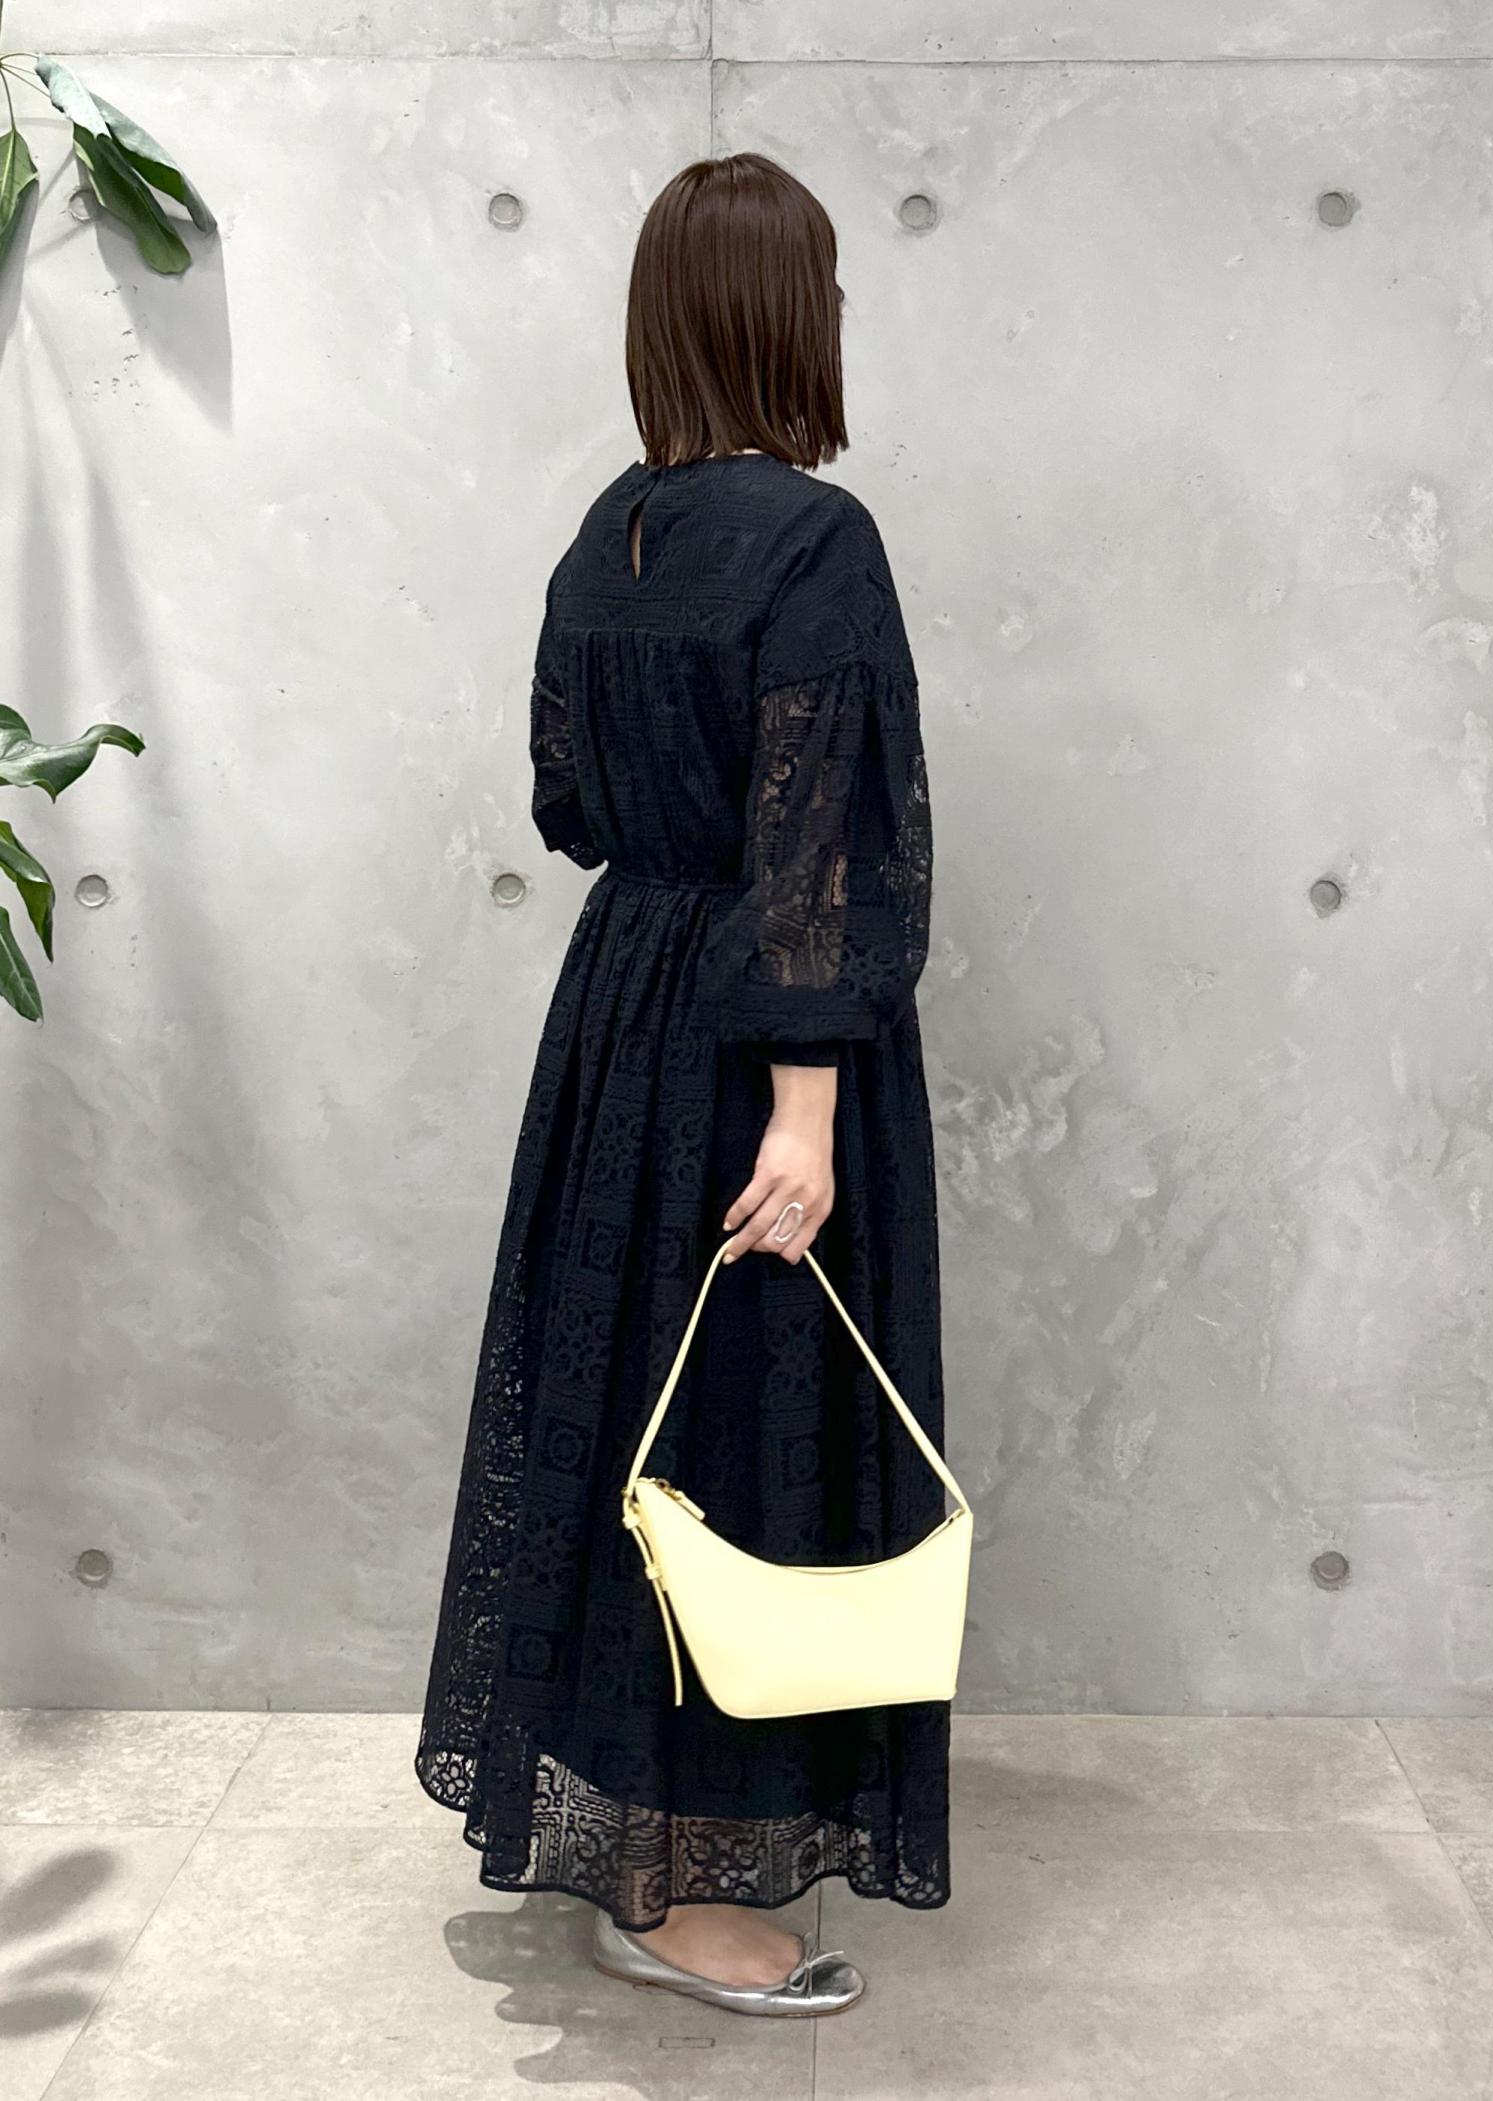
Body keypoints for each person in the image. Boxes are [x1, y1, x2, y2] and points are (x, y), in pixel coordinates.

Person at [414, 150, 948, 2018]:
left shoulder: (608, 535)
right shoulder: (817, 541)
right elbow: (822, 849)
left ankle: (638, 1837)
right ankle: (685, 1891)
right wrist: (807, 1110)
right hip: (755, 1045)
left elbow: (569, 804)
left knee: (630, 1418)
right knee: (737, 1432)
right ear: (792, 317)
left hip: (621, 1014)